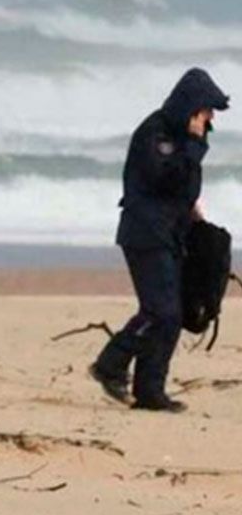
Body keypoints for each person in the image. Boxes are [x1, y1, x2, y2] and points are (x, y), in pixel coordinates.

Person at [90, 68, 229, 413]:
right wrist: (195, 146)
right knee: (160, 311)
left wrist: (197, 219)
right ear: (192, 106)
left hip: (171, 233)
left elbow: (184, 188)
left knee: (173, 313)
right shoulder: (157, 133)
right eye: (207, 110)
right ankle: (110, 364)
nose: (210, 118)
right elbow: (166, 177)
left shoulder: (187, 138)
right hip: (145, 233)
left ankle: (150, 390)